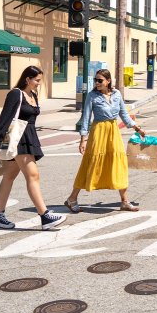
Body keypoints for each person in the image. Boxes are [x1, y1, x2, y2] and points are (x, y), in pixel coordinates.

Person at [0, 66, 66, 230]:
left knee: (9, 176)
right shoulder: (16, 93)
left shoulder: (33, 95)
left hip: (28, 136)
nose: (39, 83)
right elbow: (5, 116)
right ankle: (44, 215)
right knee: (33, 175)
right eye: (37, 80)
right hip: (18, 139)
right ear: (27, 79)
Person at [64, 68, 146, 213]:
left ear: (108, 81)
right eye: (95, 80)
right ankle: (72, 198)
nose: (97, 83)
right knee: (91, 164)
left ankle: (125, 201)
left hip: (113, 132)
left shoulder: (116, 94)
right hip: (98, 132)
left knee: (119, 164)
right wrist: (83, 139)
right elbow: (86, 117)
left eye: (100, 80)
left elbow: (124, 115)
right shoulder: (92, 96)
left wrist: (137, 129)